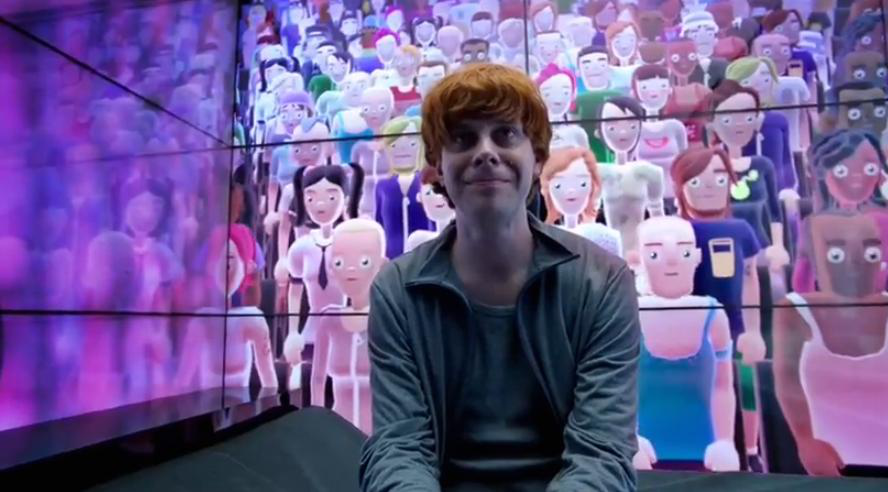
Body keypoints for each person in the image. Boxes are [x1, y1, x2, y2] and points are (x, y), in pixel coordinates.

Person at [359, 64, 640, 491]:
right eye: (463, 139)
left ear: (538, 158)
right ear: (437, 166)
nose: (485, 152)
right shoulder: (396, 292)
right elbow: (399, 447)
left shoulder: (603, 283)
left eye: (506, 134)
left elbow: (602, 453)